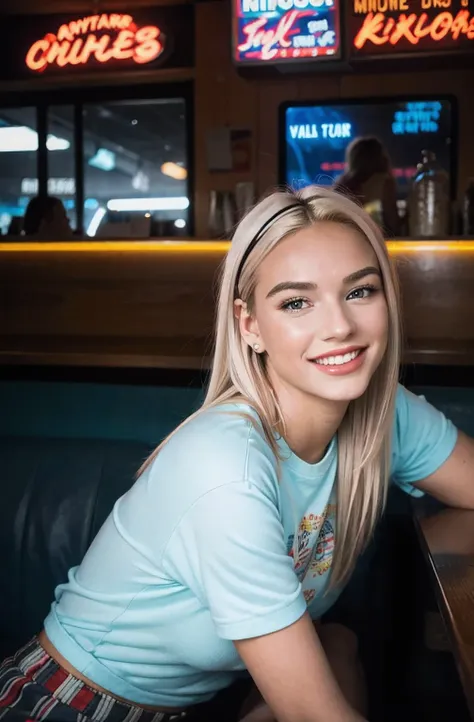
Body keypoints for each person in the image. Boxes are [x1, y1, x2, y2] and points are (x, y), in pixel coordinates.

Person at [2, 185, 473, 722]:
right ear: (250, 326)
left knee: (338, 642)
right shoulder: (226, 467)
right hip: (69, 705)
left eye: (360, 291)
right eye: (297, 302)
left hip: (185, 710)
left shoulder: (384, 414)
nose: (340, 327)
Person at [333, 137, 400, 236]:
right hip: (376, 242)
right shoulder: (384, 182)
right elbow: (392, 222)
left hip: (345, 240)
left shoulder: (341, 185)